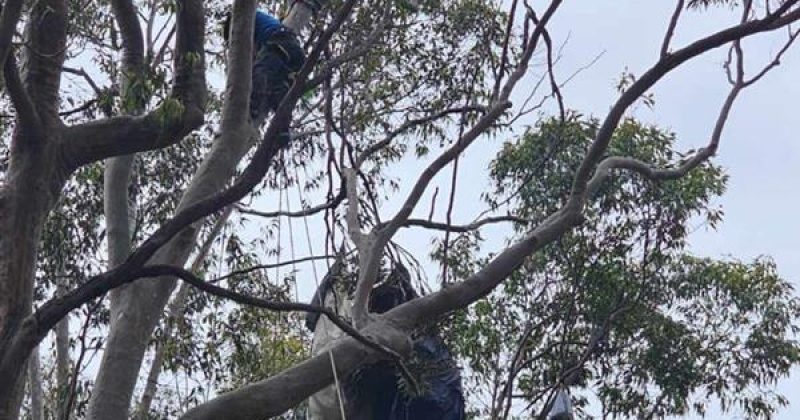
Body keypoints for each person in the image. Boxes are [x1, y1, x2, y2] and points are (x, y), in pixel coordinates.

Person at [223, 9, 305, 145]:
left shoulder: (242, 18)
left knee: (260, 72)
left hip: (279, 43)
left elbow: (255, 61)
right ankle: (283, 128)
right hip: (294, 53)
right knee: (278, 89)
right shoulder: (262, 25)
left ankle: (252, 107)